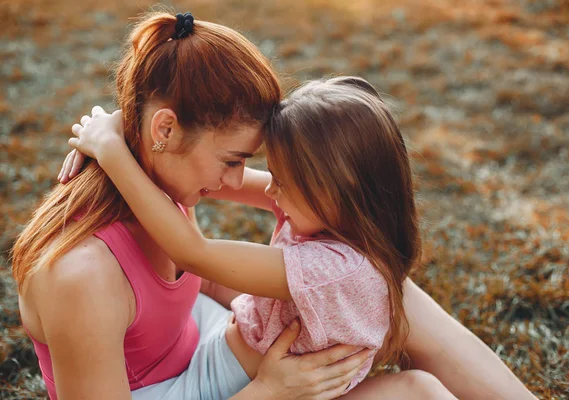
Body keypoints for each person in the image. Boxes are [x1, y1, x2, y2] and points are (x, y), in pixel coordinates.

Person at [11, 11, 375, 400]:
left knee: (360, 269)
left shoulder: (162, 182)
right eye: (231, 160)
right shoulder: (82, 276)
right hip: (168, 390)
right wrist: (269, 391)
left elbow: (201, 276)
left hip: (201, 343)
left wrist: (293, 311)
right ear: (164, 130)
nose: (238, 181)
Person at [68, 73, 461, 400]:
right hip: (223, 373)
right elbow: (205, 177)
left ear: (334, 188)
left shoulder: (333, 270)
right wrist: (147, 133)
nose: (271, 190)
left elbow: (191, 253)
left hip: (224, 388)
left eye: (284, 182)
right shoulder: (336, 218)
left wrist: (111, 150)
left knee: (422, 391)